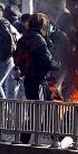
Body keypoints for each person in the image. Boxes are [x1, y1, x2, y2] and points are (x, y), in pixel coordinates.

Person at [14, 13, 61, 144]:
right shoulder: (37, 39)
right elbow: (47, 61)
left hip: (30, 80)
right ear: (42, 25)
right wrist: (57, 65)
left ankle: (56, 139)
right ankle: (26, 140)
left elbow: (18, 59)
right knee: (40, 112)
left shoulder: (25, 37)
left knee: (41, 111)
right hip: (39, 81)